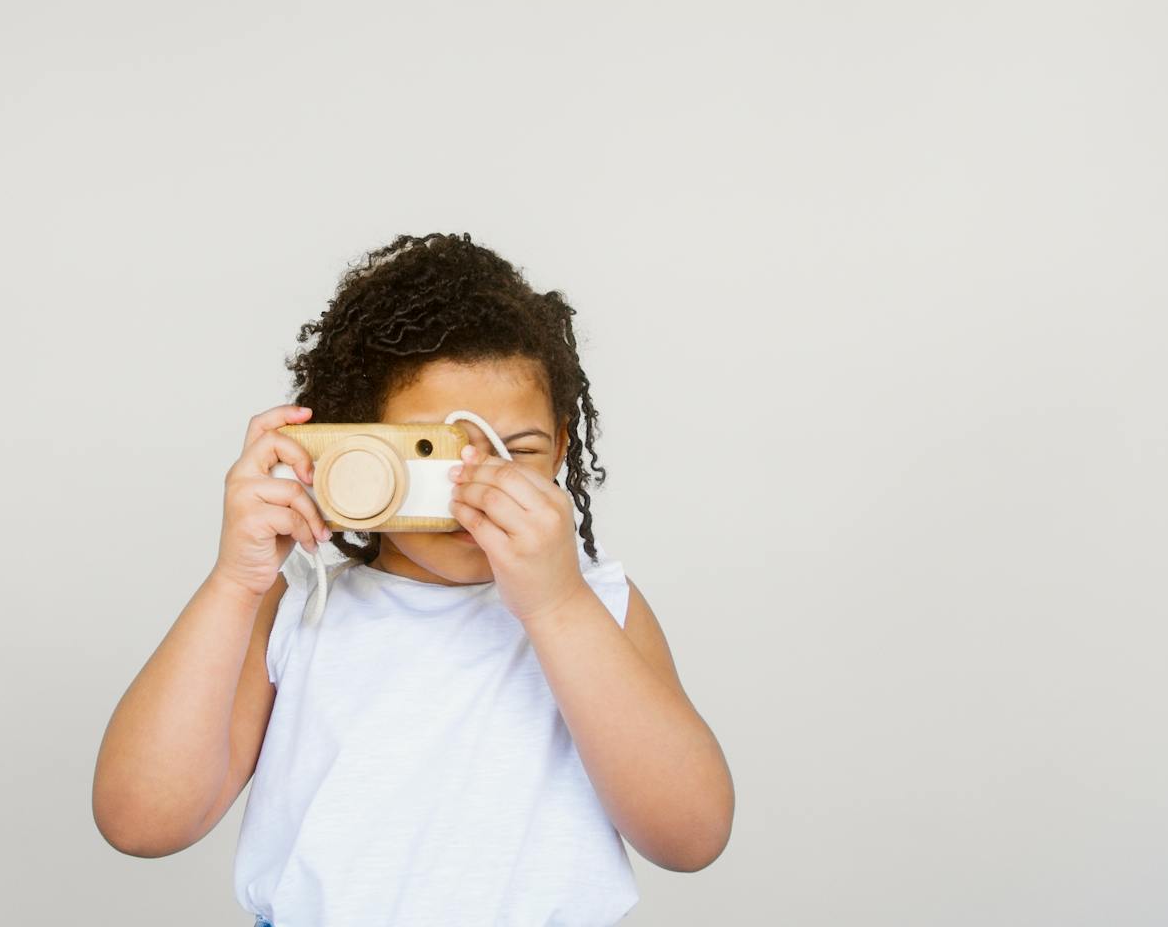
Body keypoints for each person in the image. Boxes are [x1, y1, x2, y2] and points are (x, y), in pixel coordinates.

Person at [94, 232, 734, 924]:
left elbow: (691, 836)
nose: (475, 483)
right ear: (353, 445)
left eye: (515, 451)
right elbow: (140, 822)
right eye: (431, 452)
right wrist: (231, 583)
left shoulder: (595, 605)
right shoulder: (302, 607)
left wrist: (556, 607)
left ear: (561, 445)